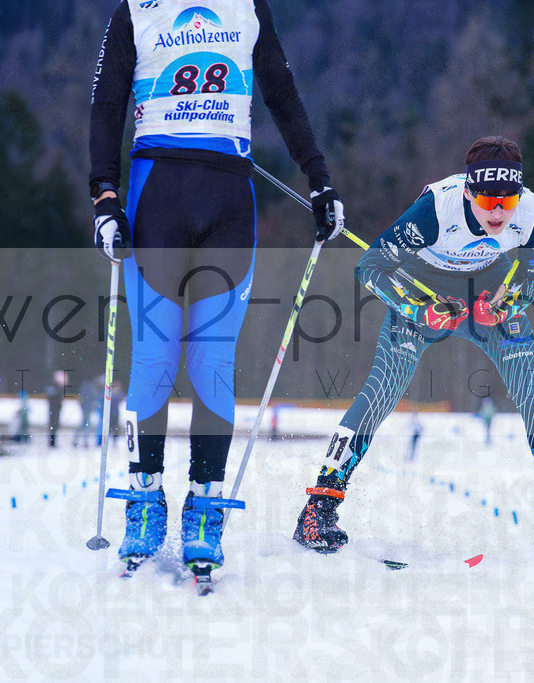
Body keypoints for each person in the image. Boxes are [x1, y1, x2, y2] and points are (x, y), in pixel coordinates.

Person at [89, 0, 344, 579]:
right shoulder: (137, 8)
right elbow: (106, 105)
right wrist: (104, 196)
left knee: (212, 362)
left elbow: (282, 94)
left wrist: (321, 181)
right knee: (154, 354)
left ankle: (205, 509)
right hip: (157, 193)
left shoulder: (249, 7)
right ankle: (144, 499)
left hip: (230, 196)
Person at [292, 136, 534, 558]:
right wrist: (419, 310)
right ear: (468, 191)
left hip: (488, 298)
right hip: (425, 294)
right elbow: (371, 267)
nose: (497, 211)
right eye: (487, 199)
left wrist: (508, 303)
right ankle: (319, 506)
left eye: (506, 201)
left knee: (533, 394)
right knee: (381, 393)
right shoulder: (437, 209)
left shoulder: (531, 215)